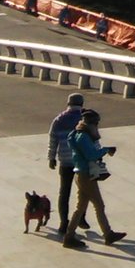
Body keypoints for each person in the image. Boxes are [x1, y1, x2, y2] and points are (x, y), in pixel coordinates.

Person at [61, 109, 125, 249]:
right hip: (86, 176)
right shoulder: (83, 136)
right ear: (92, 124)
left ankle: (69, 237)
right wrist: (106, 150)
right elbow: (91, 155)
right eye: (96, 123)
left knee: (80, 207)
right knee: (99, 205)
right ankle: (108, 234)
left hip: (81, 174)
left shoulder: (76, 133)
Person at [46, 92, 85, 235]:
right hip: (81, 162)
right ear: (81, 104)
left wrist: (51, 158)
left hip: (65, 162)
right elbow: (93, 140)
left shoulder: (58, 120)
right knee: (84, 191)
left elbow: (52, 140)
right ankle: (81, 218)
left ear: (68, 104)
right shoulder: (84, 118)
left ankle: (64, 223)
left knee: (64, 193)